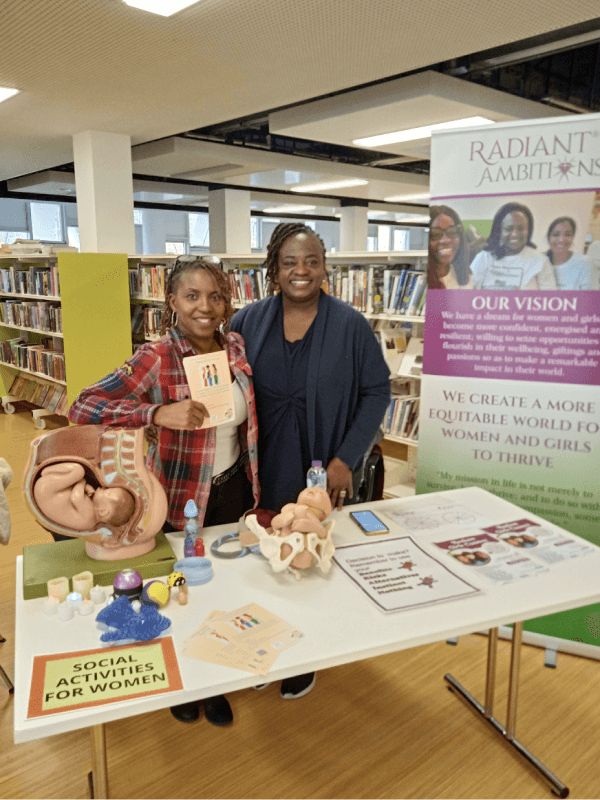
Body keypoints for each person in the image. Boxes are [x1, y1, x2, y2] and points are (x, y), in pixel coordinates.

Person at [68, 256, 259, 728]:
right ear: (172, 301)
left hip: (233, 489)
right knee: (175, 589)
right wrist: (155, 416)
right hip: (177, 496)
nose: (205, 307)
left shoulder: (233, 346)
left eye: (215, 296)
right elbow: (83, 405)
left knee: (221, 587)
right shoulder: (156, 356)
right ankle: (180, 676)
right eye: (192, 296)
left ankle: (212, 679)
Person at [230, 222, 391, 700]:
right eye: (289, 263)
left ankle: (303, 656)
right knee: (262, 553)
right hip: (259, 463)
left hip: (320, 466)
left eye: (311, 261)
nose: (301, 271)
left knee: (307, 554)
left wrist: (347, 458)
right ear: (273, 270)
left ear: (325, 268)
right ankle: (262, 645)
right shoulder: (247, 321)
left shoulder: (350, 325)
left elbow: (377, 390)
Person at [470, 202, 556, 290]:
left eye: (520, 228)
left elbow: (550, 299)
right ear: (500, 231)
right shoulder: (483, 258)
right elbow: (469, 293)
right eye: (508, 229)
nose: (515, 234)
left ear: (528, 231)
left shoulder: (541, 261)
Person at [428, 205, 473, 289]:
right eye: (436, 234)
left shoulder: (466, 277)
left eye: (452, 232)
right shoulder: (420, 281)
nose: (446, 240)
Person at [545, 217, 591, 290]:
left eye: (568, 234)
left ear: (573, 237)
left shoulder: (584, 263)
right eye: (556, 234)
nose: (561, 239)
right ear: (548, 237)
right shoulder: (539, 261)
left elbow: (588, 297)